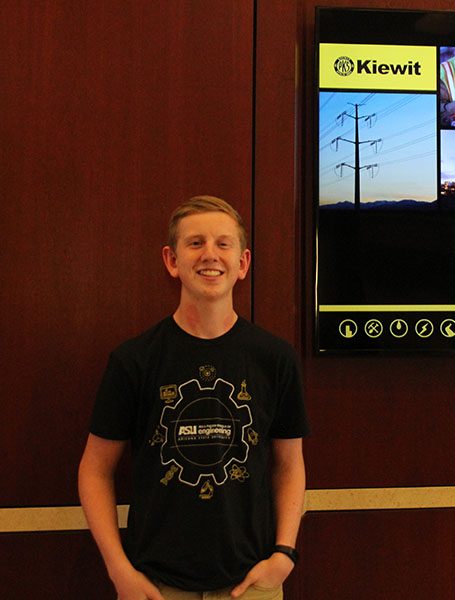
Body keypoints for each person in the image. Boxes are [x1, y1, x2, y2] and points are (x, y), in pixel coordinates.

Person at [78, 196, 309, 600]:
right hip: (155, 585)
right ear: (171, 260)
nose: (210, 255)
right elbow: (95, 470)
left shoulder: (275, 358)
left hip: (251, 583)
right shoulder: (134, 360)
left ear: (242, 263)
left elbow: (289, 465)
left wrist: (284, 553)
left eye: (223, 244)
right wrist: (119, 570)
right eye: (195, 242)